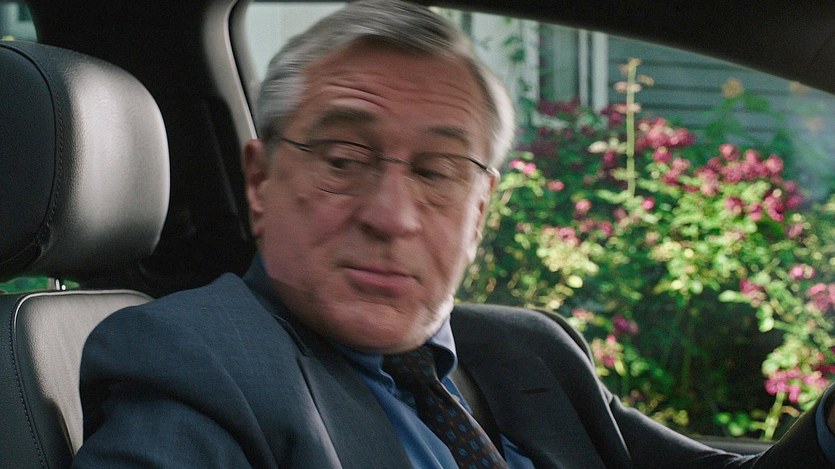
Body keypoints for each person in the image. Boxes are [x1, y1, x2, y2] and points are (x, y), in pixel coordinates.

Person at [72, 1, 835, 467]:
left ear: (480, 208)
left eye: (438, 171)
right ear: (261, 179)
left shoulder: (529, 349)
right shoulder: (198, 363)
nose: (392, 215)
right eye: (342, 159)